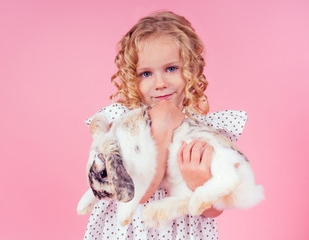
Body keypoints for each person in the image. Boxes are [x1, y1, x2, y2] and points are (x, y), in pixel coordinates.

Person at [83, 11, 247, 240]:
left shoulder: (199, 130)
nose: (160, 83)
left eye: (171, 69)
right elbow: (133, 193)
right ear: (132, 78)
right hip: (129, 232)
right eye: (146, 73)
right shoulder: (121, 123)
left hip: (183, 233)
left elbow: (213, 209)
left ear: (191, 70)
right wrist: (163, 121)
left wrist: (199, 182)